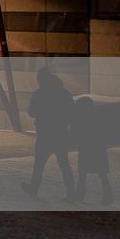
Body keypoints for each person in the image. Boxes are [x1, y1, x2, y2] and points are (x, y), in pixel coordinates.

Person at [23, 69, 77, 200]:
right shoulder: (64, 93)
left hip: (45, 132)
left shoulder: (40, 93)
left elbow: (31, 111)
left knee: (39, 164)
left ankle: (34, 188)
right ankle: (71, 193)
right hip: (61, 132)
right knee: (64, 164)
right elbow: (71, 114)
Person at [72, 95, 114, 205]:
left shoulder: (81, 118)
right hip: (98, 148)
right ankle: (108, 195)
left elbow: (77, 132)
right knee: (101, 173)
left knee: (83, 172)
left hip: (86, 148)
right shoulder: (96, 116)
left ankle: (80, 193)